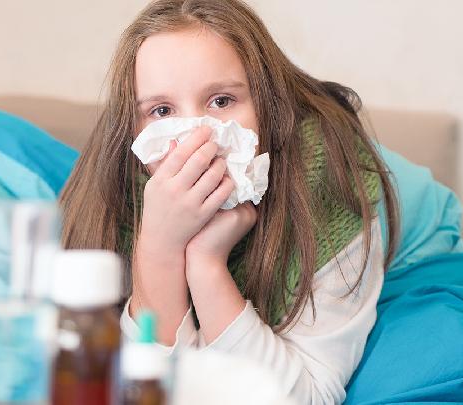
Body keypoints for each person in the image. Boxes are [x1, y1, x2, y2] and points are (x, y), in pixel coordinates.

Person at [59, 0, 399, 402]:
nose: (196, 138)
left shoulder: (331, 186)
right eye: (162, 110)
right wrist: (159, 249)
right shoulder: (115, 189)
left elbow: (306, 397)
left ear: (268, 104)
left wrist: (206, 266)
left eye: (221, 101)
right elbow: (140, 392)